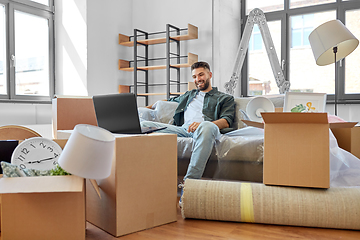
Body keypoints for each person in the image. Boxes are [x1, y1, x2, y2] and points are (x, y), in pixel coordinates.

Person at [141, 61, 235, 182]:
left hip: (205, 129)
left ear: (210, 75)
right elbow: (166, 101)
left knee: (206, 126)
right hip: (183, 129)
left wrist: (202, 125)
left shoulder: (225, 98)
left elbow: (226, 121)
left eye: (201, 75)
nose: (198, 79)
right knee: (143, 126)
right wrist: (144, 108)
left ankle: (190, 182)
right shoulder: (189, 95)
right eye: (194, 76)